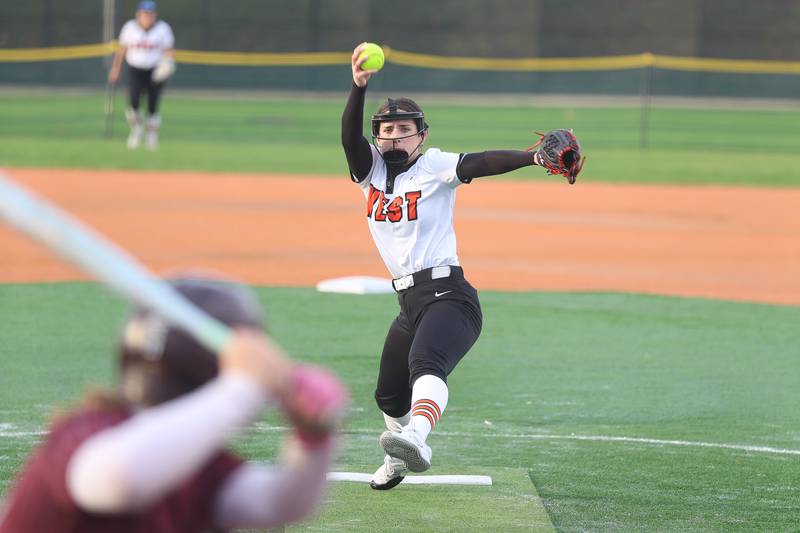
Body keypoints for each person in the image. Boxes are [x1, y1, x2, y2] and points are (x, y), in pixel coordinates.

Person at [341, 42, 575, 490]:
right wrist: (358, 87)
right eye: (386, 129)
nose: (393, 136)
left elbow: (480, 162)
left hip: (449, 296)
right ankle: (399, 455)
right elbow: (350, 138)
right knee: (388, 395)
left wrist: (533, 156)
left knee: (426, 365)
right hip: (408, 302)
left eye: (403, 129)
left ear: (421, 135)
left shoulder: (433, 165)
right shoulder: (369, 170)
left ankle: (418, 439)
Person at [0, 274, 348, 532]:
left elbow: (277, 503)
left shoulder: (199, 466)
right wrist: (241, 390)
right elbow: (118, 478)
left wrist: (312, 440)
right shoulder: (87, 432)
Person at [107, 0, 175, 150]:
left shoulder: (163, 29)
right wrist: (115, 69)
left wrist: (168, 64)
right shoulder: (130, 28)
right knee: (134, 101)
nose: (147, 17)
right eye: (145, 13)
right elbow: (122, 50)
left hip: (155, 70)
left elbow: (169, 51)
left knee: (152, 105)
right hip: (135, 69)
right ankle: (136, 130)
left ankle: (151, 136)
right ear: (138, 14)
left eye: (150, 14)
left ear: (155, 15)